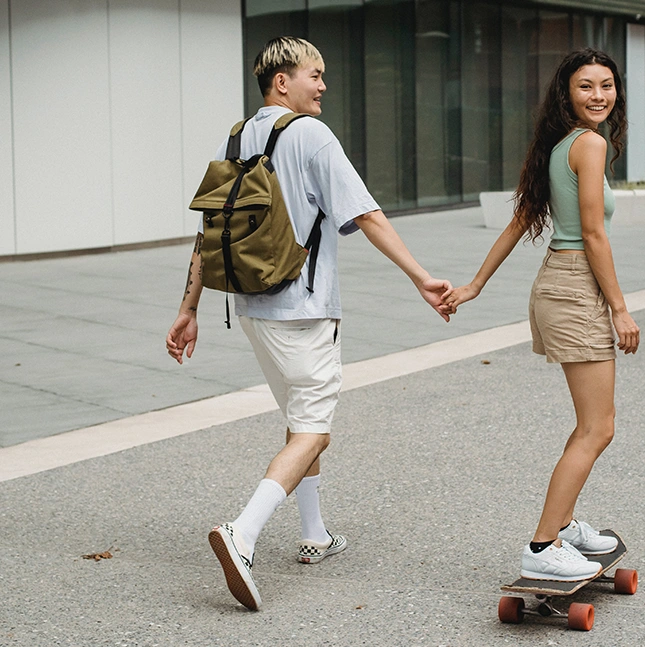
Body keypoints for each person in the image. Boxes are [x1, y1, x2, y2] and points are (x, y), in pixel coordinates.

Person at [166, 36, 451, 611]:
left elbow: (210, 230)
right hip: (304, 309)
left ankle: (315, 533)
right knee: (314, 430)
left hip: (253, 309)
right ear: (282, 82)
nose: (323, 85)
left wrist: (189, 307)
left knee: (299, 423)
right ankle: (242, 535)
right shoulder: (311, 134)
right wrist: (421, 276)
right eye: (314, 74)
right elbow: (365, 213)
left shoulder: (238, 136)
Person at [443, 48, 639, 581]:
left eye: (606, 85)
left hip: (561, 283)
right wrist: (620, 308)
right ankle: (542, 544)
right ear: (566, 93)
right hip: (577, 288)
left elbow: (520, 220)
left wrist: (474, 286)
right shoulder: (590, 144)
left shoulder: (561, 146)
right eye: (585, 86)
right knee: (598, 428)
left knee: (591, 424)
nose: (598, 95)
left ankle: (566, 525)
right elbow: (593, 233)